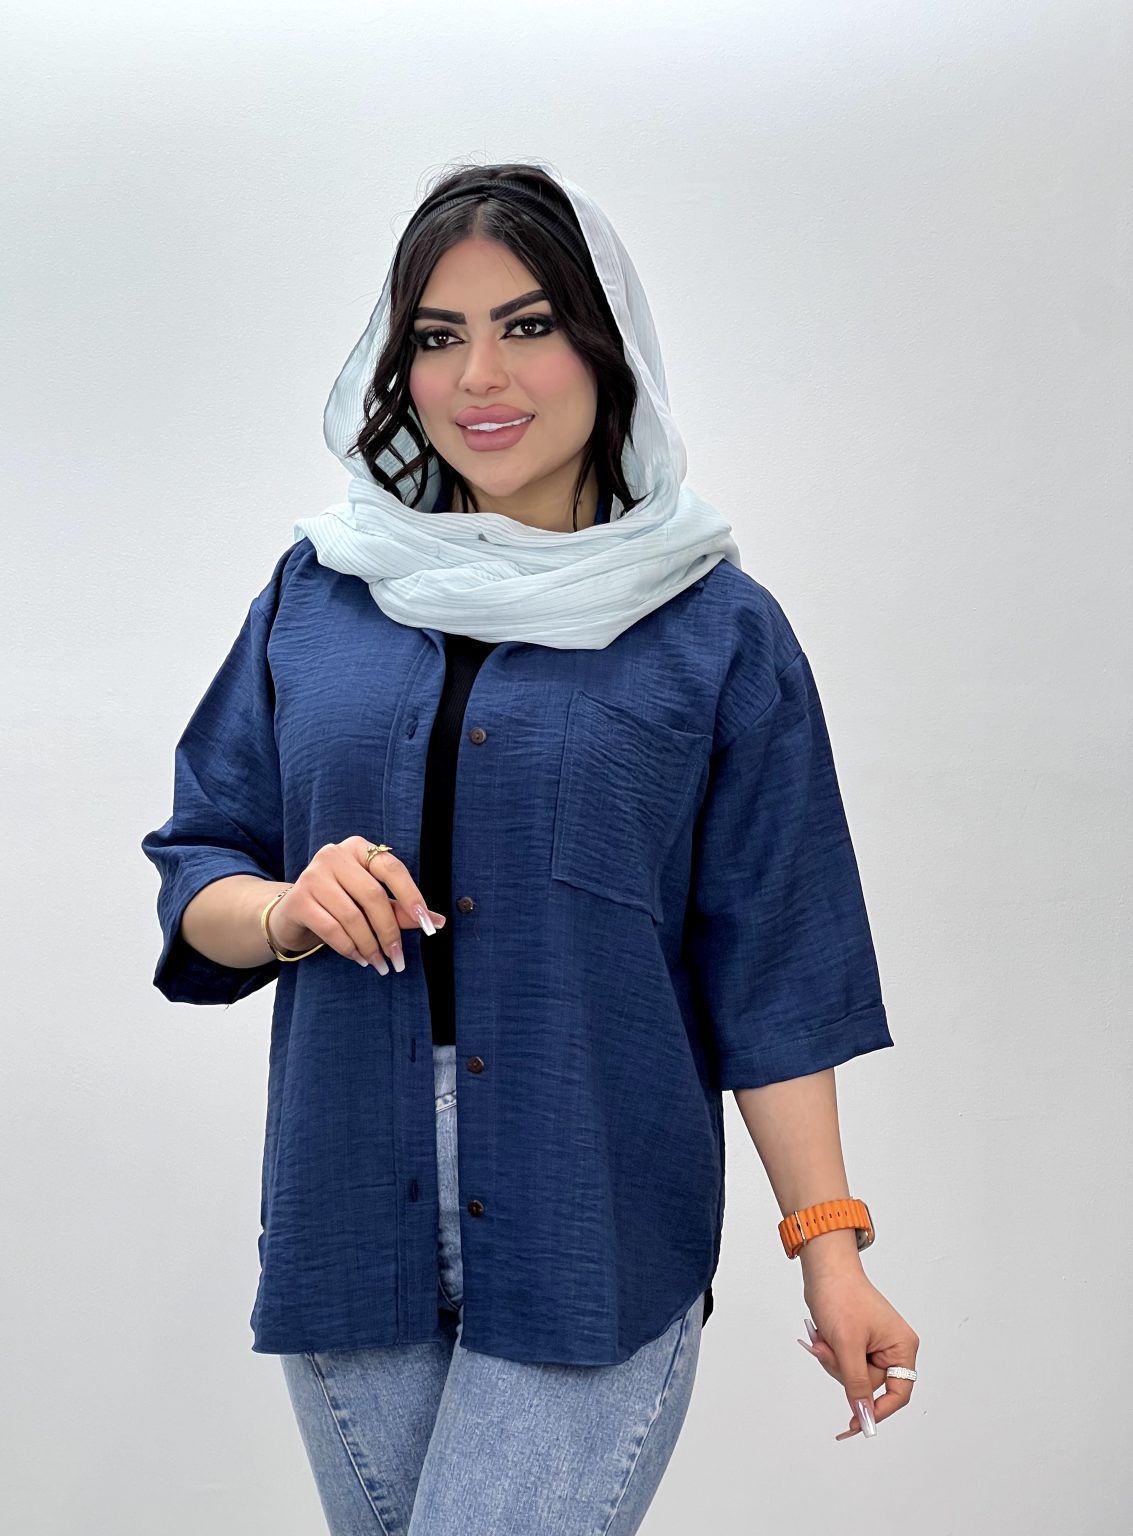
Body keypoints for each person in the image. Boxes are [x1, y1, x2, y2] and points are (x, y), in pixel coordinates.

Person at [140, 160, 919, 1535]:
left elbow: (776, 972)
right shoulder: (319, 591)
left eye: (529, 325)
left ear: (607, 349)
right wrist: (286, 909)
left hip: (592, 1209)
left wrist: (830, 1251)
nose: (480, 377)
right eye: (438, 336)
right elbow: (201, 859)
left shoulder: (715, 629)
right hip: (348, 1213)